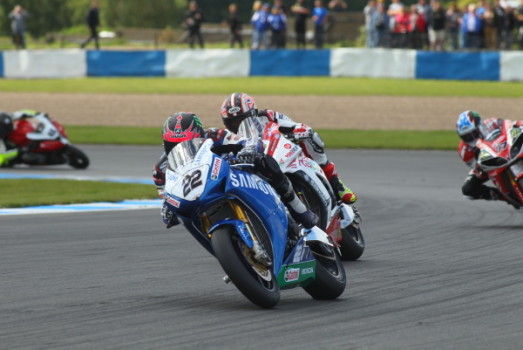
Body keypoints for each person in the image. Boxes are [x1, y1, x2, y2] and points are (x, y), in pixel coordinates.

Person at [153, 112, 319, 230]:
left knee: (266, 162)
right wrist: (166, 205)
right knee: (183, 215)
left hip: (234, 174)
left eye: (185, 142)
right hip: (200, 192)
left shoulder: (214, 135)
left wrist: (248, 149)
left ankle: (299, 210)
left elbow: (247, 142)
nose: (179, 148)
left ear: (199, 135)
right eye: (172, 145)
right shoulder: (162, 167)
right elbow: (164, 189)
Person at [219, 92, 357, 205]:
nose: (238, 124)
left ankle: (335, 182)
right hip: (257, 167)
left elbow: (293, 125)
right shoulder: (227, 136)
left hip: (279, 151)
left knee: (311, 137)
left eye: (241, 119)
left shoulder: (268, 116)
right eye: (233, 122)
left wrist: (299, 130)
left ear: (253, 113)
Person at [456, 110, 520, 208]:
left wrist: (519, 125)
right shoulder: (464, 150)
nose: (472, 138)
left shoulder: (492, 123)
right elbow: (475, 166)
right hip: (488, 163)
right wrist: (481, 168)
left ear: (480, 125)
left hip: (508, 149)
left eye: (474, 133)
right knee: (468, 190)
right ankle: (503, 196)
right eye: (467, 137)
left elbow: (511, 126)